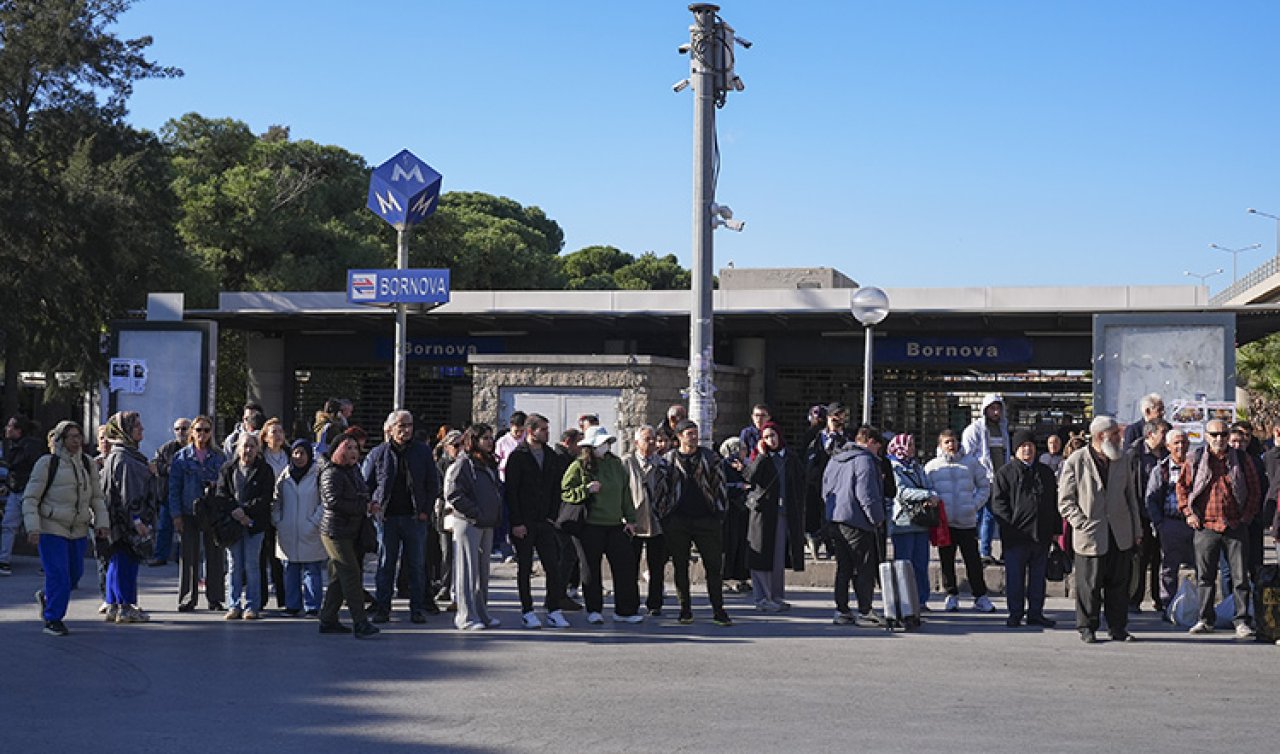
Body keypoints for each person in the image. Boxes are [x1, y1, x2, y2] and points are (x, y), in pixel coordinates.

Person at [1058, 415, 1142, 644]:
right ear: (1100, 436)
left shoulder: (1122, 459)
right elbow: (1065, 501)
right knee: (1089, 585)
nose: (1119, 437)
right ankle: (1087, 626)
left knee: (1119, 584)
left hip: (1120, 532)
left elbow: (1130, 497)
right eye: (1115, 433)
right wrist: (1081, 523)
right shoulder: (1076, 460)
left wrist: (1136, 529)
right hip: (1091, 533)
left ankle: (1117, 627)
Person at [22, 421, 109, 635]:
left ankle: (48, 596)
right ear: (61, 439)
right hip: (51, 528)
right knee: (59, 574)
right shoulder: (47, 463)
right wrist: (33, 528)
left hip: (78, 529)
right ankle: (53, 619)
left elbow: (97, 498)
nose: (76, 440)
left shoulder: (88, 464)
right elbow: (31, 498)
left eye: (79, 436)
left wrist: (102, 523)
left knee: (73, 575)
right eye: (71, 436)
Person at [1177, 418, 1261, 639]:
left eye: (1223, 435)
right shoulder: (1196, 459)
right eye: (1214, 435)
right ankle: (1205, 619)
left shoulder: (1241, 460)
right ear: (1206, 436)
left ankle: (1242, 620)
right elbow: (1182, 488)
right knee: (1204, 576)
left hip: (1235, 524)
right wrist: (1188, 513)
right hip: (1205, 525)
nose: (1219, 439)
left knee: (1240, 577)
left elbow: (1254, 489)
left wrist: (1247, 517)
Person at [364, 410, 441, 624]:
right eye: (401, 425)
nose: (406, 430)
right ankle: (383, 608)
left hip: (415, 518)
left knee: (416, 565)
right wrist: (373, 506)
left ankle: (416, 608)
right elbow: (366, 483)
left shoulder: (422, 452)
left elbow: (432, 483)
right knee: (386, 564)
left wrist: (425, 509)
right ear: (390, 428)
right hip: (387, 518)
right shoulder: (378, 453)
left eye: (409, 425)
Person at [563, 425, 642, 624]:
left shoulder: (616, 464)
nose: (605, 447)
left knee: (625, 567)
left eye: (607, 443)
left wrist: (630, 519)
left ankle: (625, 610)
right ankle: (594, 609)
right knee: (590, 569)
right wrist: (586, 490)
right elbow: (566, 491)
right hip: (590, 525)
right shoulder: (579, 465)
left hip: (615, 525)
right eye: (601, 444)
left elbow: (626, 493)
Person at [504, 413, 572, 629]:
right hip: (524, 521)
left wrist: (553, 517)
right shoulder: (518, 456)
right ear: (531, 431)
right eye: (542, 429)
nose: (547, 433)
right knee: (525, 567)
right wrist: (516, 522)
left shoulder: (550, 455)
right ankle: (527, 610)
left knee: (553, 566)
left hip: (545, 521)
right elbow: (511, 491)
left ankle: (553, 609)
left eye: (547, 429)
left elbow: (556, 488)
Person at [660, 419, 730, 626]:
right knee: (680, 566)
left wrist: (719, 512)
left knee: (714, 566)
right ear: (679, 436)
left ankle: (718, 610)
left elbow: (720, 486)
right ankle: (685, 609)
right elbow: (661, 490)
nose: (693, 437)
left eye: (695, 433)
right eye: (689, 433)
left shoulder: (710, 457)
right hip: (678, 520)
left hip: (706, 520)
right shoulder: (669, 460)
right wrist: (665, 515)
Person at [991, 430, 1061, 628]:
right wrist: (1008, 527)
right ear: (1016, 450)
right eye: (1022, 446)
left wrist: (1055, 530)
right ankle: (1015, 614)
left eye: (1030, 445)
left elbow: (1052, 502)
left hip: (1041, 534)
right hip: (1016, 536)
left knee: (1038, 578)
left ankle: (1036, 613)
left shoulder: (1045, 473)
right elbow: (998, 504)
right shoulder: (1005, 473)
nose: (1027, 449)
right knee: (1015, 578)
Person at [822, 425, 886, 626]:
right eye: (878, 447)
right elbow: (866, 494)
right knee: (863, 567)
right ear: (870, 442)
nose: (879, 453)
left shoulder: (835, 459)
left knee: (844, 568)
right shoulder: (864, 461)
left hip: (836, 519)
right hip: (858, 521)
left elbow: (825, 489)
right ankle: (865, 611)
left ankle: (842, 610)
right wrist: (877, 518)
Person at [924, 429, 993, 613]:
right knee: (946, 561)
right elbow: (927, 490)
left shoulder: (971, 463)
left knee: (973, 561)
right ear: (940, 445)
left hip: (967, 521)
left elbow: (984, 486)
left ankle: (980, 596)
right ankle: (951, 595)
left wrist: (974, 505)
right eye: (946, 442)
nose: (951, 445)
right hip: (945, 524)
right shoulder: (932, 467)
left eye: (953, 441)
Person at [318, 432, 379, 638]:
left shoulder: (354, 471)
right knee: (351, 574)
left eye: (355, 448)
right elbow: (332, 502)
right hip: (335, 531)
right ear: (337, 449)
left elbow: (362, 492)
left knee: (338, 577)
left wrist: (369, 503)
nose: (353, 452)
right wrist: (364, 506)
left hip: (352, 530)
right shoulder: (331, 472)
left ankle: (327, 619)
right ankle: (360, 622)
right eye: (348, 447)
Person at [100, 411, 157, 624]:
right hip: (126, 522)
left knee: (117, 561)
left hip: (117, 521)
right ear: (124, 431)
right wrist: (138, 521)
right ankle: (125, 607)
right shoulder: (124, 458)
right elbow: (128, 493)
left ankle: (114, 605)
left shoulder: (119, 455)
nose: (141, 429)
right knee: (126, 561)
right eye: (136, 426)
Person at [445, 424, 503, 631]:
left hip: (487, 523)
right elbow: (453, 493)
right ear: (474, 440)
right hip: (469, 523)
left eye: (491, 437)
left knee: (482, 572)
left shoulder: (488, 463)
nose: (490, 441)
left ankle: (481, 613)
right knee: (467, 571)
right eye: (485, 438)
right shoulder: (464, 463)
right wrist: (475, 512)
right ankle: (466, 617)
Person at [742, 421, 806, 612]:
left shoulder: (790, 457)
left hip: (784, 512)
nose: (771, 440)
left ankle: (776, 596)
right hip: (763, 513)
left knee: (778, 558)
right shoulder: (760, 457)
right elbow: (750, 477)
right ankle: (762, 597)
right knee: (761, 554)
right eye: (766, 437)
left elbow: (801, 480)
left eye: (773, 435)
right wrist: (761, 456)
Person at [168, 414, 227, 612]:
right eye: (198, 430)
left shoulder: (219, 457)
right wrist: (176, 515)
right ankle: (187, 598)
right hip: (188, 511)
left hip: (212, 511)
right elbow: (174, 488)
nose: (202, 434)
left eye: (206, 430)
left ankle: (215, 598)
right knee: (188, 556)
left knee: (215, 555)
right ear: (192, 432)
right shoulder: (181, 457)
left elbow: (226, 485)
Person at [216, 432, 274, 620]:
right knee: (234, 566)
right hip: (232, 525)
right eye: (245, 446)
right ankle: (233, 605)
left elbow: (265, 498)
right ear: (237, 448)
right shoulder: (228, 469)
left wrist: (245, 512)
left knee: (252, 565)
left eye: (252, 446)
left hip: (254, 524)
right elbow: (221, 494)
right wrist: (235, 511)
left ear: (258, 449)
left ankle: (252, 606)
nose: (248, 450)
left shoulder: (265, 470)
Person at [886, 434, 940, 612]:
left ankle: (921, 600)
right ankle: (905, 601)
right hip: (903, 521)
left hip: (920, 520)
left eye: (913, 444)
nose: (912, 448)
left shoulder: (916, 466)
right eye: (908, 444)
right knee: (904, 564)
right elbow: (900, 492)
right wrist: (925, 495)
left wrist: (931, 495)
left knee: (921, 564)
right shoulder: (893, 467)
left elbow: (926, 484)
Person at [273, 439, 325, 617]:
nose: (298, 457)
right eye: (295, 452)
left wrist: (314, 522)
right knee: (290, 570)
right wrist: (278, 520)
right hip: (287, 530)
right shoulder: (285, 475)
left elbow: (324, 503)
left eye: (302, 453)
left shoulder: (317, 474)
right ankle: (292, 605)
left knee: (312, 571)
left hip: (310, 530)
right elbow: (276, 500)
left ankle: (313, 606)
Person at [622, 424, 670, 616]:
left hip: (656, 521)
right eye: (646, 439)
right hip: (632, 521)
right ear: (636, 442)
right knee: (630, 566)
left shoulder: (662, 463)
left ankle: (655, 603)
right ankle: (630, 603)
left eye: (653, 439)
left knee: (656, 566)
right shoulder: (626, 463)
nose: (651, 443)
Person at [1145, 428, 1194, 614]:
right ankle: (1169, 605)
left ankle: (1197, 607)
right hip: (1170, 523)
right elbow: (1151, 498)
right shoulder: (1161, 469)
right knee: (1168, 569)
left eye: (1183, 442)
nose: (1180, 446)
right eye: (1176, 443)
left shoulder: (1197, 467)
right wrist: (1159, 524)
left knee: (1202, 568)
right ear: (1168, 446)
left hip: (1194, 525)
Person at [961, 393, 1010, 566]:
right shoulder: (975, 430)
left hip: (1000, 478)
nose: (996, 412)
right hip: (982, 479)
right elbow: (968, 454)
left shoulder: (1002, 429)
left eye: (998, 408)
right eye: (992, 409)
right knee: (987, 515)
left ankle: (988, 550)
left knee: (992, 516)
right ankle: (984, 551)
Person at [1125, 419, 1168, 613]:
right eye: (1163, 433)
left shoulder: (1167, 454)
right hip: (1141, 513)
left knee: (1161, 559)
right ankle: (1135, 599)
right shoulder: (1135, 454)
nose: (1166, 437)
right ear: (1150, 435)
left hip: (1164, 514)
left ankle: (1160, 599)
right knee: (1140, 559)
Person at [803, 402, 854, 561]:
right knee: (819, 514)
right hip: (819, 481)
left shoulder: (848, 436)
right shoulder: (817, 436)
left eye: (842, 416)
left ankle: (833, 545)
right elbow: (808, 456)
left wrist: (839, 435)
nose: (839, 419)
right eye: (835, 417)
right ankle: (818, 540)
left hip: (840, 481)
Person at [0, 414, 43, 575]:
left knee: (31, 527)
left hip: (26, 491)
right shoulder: (18, 445)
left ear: (18, 430)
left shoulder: (27, 447)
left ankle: (4, 560)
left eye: (10, 426)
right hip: (19, 490)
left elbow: (26, 469)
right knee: (11, 525)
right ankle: (4, 560)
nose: (7, 429)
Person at [258, 417, 290, 610]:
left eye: (280, 431)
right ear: (265, 437)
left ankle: (284, 598)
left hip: (285, 508)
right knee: (262, 555)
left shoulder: (290, 454)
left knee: (281, 557)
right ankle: (260, 597)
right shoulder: (261, 457)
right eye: (273, 432)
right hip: (264, 509)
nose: (277, 436)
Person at [148, 417, 190, 566]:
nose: (180, 432)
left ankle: (183, 556)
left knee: (185, 528)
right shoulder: (166, 449)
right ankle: (160, 556)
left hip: (187, 496)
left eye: (184, 428)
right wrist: (173, 470)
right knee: (164, 526)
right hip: (167, 494)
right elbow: (154, 466)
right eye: (177, 429)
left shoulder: (194, 449)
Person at [719, 437, 752, 594]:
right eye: (742, 449)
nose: (744, 452)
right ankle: (725, 577)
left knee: (742, 543)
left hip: (743, 509)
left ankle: (741, 576)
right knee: (729, 544)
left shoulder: (744, 465)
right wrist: (739, 486)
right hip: (730, 509)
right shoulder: (724, 465)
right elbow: (721, 486)